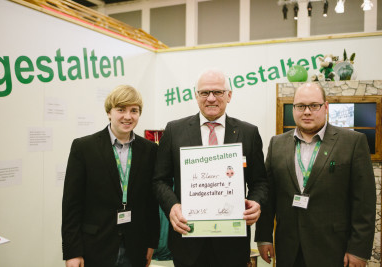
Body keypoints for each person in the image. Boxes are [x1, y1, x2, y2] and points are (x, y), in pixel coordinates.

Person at [152, 69, 268, 267]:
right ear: (196, 96)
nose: (211, 98)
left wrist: (257, 202)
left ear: (229, 95)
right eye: (204, 93)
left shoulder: (248, 132)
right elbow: (159, 180)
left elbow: (260, 182)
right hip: (187, 241)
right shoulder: (174, 130)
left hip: (232, 244)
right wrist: (172, 206)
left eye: (218, 92)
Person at [255, 83, 376, 267]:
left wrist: (358, 250)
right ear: (294, 108)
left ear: (325, 107)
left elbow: (364, 202)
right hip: (289, 249)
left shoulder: (352, 142)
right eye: (301, 106)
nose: (307, 112)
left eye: (314, 105)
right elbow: (268, 196)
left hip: (333, 250)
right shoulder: (277, 144)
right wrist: (264, 238)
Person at [62, 85, 160, 267]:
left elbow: (151, 204)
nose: (128, 116)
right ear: (109, 112)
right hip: (95, 247)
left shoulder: (150, 150)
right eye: (121, 110)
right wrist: (72, 252)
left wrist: (151, 243)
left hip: (135, 248)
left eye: (134, 111)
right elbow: (71, 206)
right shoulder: (84, 148)